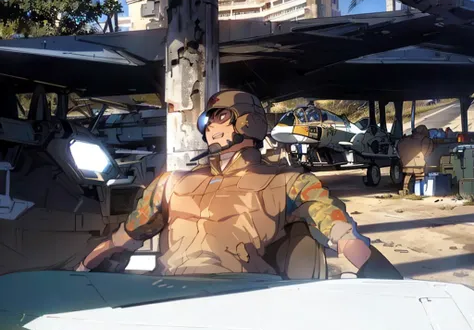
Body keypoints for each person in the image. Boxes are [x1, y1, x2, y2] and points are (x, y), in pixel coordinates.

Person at [77, 90, 397, 279]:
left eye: (219, 117)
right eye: (206, 121)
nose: (208, 128)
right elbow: (123, 241)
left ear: (247, 121)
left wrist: (388, 282)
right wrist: (79, 274)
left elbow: (344, 236)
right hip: (169, 299)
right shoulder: (170, 183)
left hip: (245, 301)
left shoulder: (290, 183)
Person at [398, 124, 434, 194]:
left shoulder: (407, 139)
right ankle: (419, 190)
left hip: (407, 163)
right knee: (419, 175)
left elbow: (399, 147)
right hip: (419, 163)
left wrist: (403, 158)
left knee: (408, 175)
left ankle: (405, 189)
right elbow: (427, 150)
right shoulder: (425, 140)